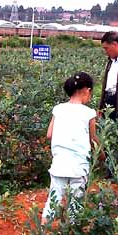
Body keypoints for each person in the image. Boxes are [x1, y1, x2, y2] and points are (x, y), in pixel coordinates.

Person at [41, 72, 99, 225]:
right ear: (87, 90)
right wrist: (102, 155)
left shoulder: (58, 109)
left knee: (53, 199)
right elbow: (93, 140)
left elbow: (49, 134)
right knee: (76, 204)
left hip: (59, 163)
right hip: (79, 166)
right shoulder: (89, 113)